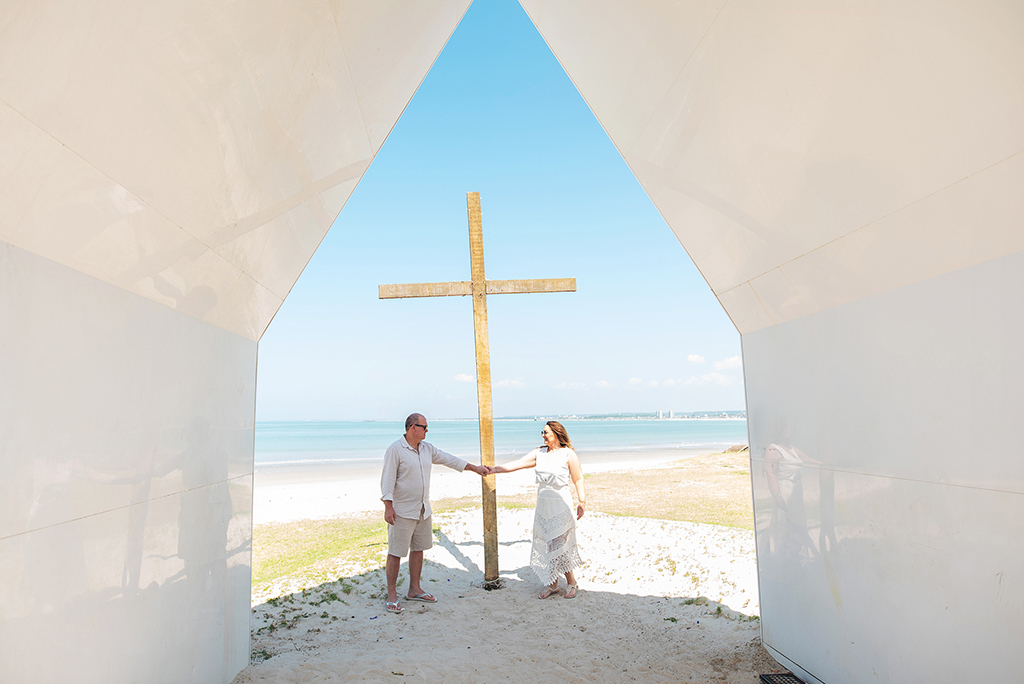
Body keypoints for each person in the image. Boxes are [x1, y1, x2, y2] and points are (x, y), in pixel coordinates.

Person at [380, 413, 489, 614]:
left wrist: (475, 468)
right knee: (395, 552)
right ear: (413, 427)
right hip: (402, 511)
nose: (427, 431)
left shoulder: (427, 449)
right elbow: (387, 480)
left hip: (423, 509)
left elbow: (450, 459)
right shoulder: (395, 450)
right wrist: (388, 506)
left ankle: (414, 589)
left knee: (418, 549)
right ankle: (392, 594)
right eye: (424, 427)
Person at [492, 421, 585, 599]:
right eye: (542, 432)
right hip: (543, 505)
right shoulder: (539, 453)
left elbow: (578, 478)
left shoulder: (568, 454)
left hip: (561, 504)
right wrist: (494, 470)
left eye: (546, 432)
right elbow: (517, 463)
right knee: (550, 544)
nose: (543, 435)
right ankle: (553, 583)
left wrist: (582, 501)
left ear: (557, 434)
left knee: (561, 544)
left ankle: (572, 582)